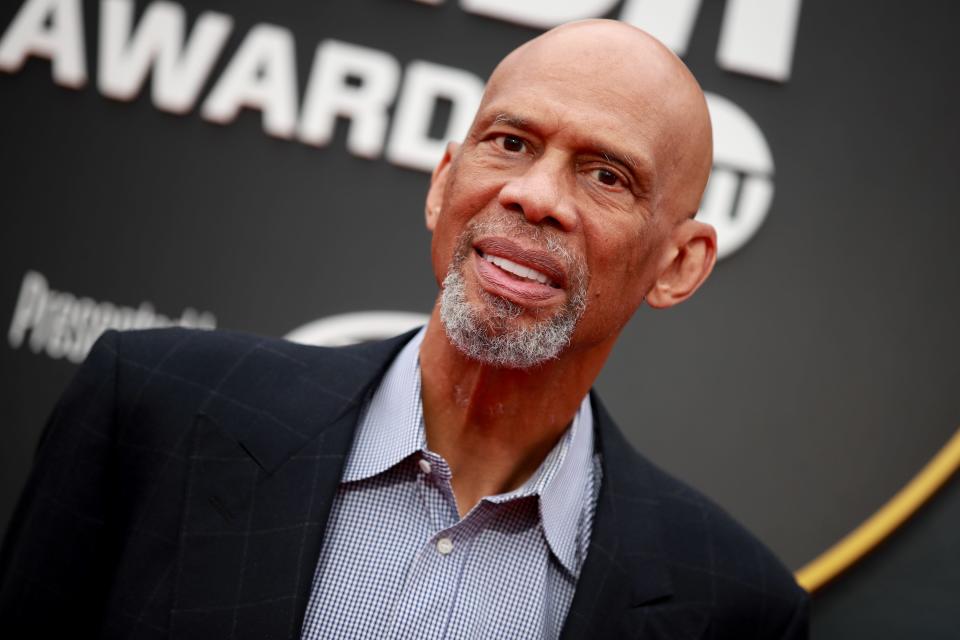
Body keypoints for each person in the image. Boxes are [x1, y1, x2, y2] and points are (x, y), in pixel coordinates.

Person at [0, 19, 808, 639]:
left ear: (680, 264)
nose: (535, 195)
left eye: (606, 175)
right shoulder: (150, 411)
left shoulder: (734, 607)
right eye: (511, 142)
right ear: (443, 184)